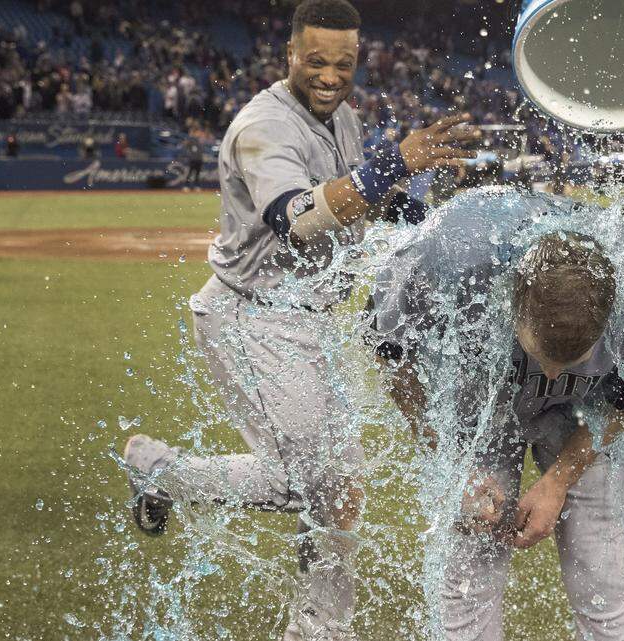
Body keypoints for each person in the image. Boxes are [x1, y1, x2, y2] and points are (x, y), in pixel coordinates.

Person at [118, 1, 479, 640]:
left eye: (344, 62)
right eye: (316, 60)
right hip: (251, 319)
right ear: (290, 56)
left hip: (303, 322)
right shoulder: (263, 127)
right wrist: (397, 162)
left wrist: (441, 222)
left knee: (339, 489)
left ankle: (319, 627)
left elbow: (360, 211)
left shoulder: (345, 120)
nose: (331, 74)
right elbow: (298, 217)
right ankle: (163, 473)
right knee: (313, 487)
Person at [368, 192, 624, 641]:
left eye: (572, 360)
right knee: (467, 576)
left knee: (605, 580)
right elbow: (392, 354)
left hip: (589, 406)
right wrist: (448, 463)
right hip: (481, 392)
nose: (551, 374)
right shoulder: (445, 256)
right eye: (542, 354)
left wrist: (559, 480)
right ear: (512, 304)